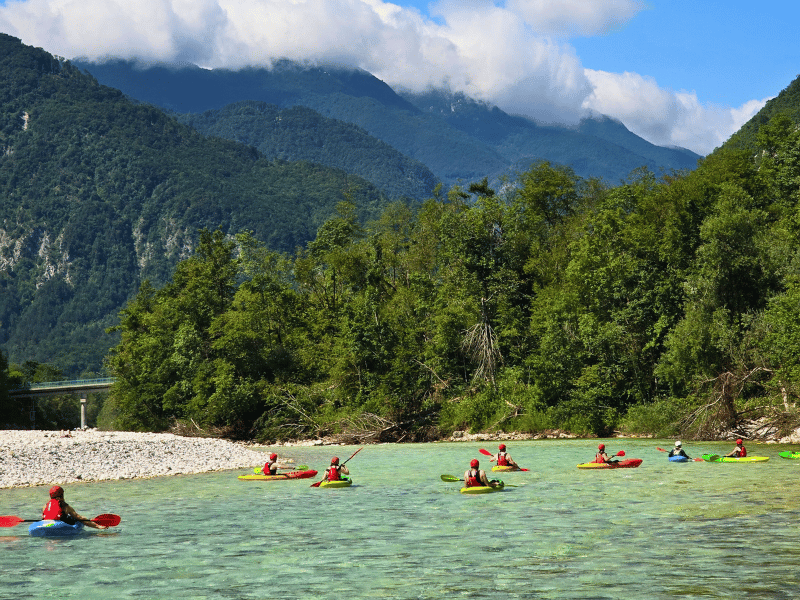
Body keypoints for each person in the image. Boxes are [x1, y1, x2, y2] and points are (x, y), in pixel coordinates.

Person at [42, 486, 107, 530]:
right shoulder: (65, 506)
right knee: (76, 518)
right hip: (59, 527)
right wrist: (98, 526)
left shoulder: (45, 506)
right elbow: (80, 518)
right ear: (62, 495)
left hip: (46, 525)